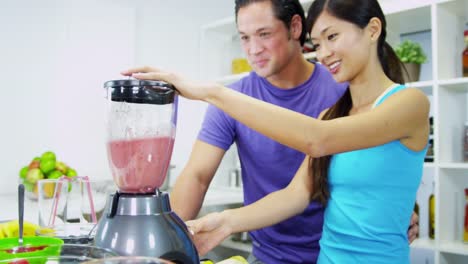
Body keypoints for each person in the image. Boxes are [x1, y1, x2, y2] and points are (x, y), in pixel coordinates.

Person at [121, 0, 426, 262]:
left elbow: (319, 140)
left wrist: (209, 92)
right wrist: (216, 225)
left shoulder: (405, 102)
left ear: (372, 30)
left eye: (332, 37)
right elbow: (295, 193)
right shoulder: (333, 113)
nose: (324, 53)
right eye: (318, 44)